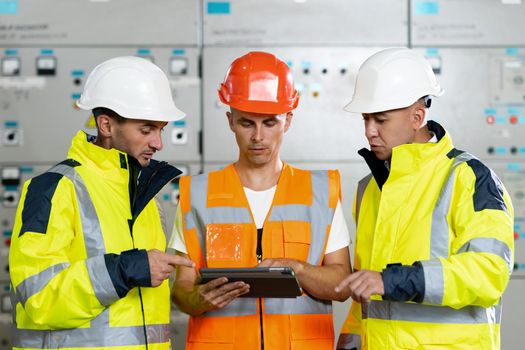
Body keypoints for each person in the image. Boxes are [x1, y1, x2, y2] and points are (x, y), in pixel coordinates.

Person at [169, 51, 352, 349]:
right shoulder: (197, 194)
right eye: (246, 123)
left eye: (269, 123)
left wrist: (298, 269)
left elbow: (342, 284)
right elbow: (181, 289)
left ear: (288, 121)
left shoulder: (321, 192)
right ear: (230, 121)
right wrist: (196, 300)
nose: (258, 137)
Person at [9, 56, 194, 350]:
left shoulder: (148, 198)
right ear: (106, 125)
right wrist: (124, 269)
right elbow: (38, 298)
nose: (159, 143)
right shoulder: (54, 188)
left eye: (161, 129)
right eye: (146, 130)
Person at [334, 47, 514, 350]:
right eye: (365, 119)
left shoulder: (469, 177)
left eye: (380, 120)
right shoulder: (370, 188)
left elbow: (489, 273)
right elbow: (367, 292)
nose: (369, 132)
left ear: (417, 117)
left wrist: (393, 281)